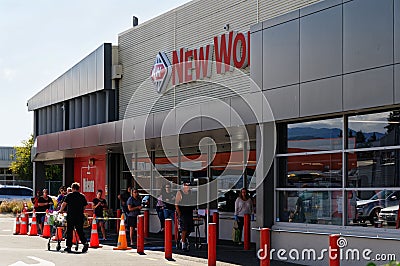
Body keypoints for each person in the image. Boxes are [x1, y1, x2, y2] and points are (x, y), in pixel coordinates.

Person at [59, 182, 89, 253]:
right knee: (80, 231)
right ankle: (85, 243)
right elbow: (85, 205)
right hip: (79, 216)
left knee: (69, 231)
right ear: (78, 188)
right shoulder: (82, 196)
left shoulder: (69, 195)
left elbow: (64, 204)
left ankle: (69, 246)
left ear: (72, 188)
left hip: (71, 215)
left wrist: (60, 210)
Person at [175, 182, 195, 251]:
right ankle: (183, 243)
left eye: (188, 186)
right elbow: (176, 204)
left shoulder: (191, 193)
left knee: (190, 229)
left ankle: (182, 239)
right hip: (182, 213)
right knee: (184, 229)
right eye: (186, 186)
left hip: (189, 212)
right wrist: (179, 214)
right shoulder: (180, 192)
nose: (187, 187)